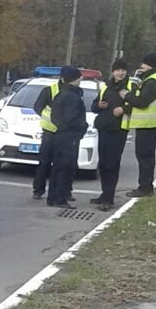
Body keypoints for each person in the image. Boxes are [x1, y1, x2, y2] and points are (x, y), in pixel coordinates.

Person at [120, 51, 156, 198]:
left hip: (147, 124)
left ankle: (145, 188)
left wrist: (127, 95)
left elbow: (142, 102)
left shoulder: (153, 81)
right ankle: (145, 186)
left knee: (144, 157)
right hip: (151, 123)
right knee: (146, 157)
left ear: (150, 65)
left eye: (144, 64)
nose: (141, 66)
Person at [91, 59, 130, 210]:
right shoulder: (105, 86)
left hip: (119, 130)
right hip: (104, 128)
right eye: (117, 70)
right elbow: (94, 106)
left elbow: (138, 103)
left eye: (123, 70)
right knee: (103, 164)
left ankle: (109, 198)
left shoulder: (130, 86)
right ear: (113, 71)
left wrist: (123, 109)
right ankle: (104, 194)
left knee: (112, 164)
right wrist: (98, 106)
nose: (120, 73)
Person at [47, 65, 87, 209]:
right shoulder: (72, 96)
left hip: (59, 135)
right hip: (69, 136)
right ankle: (60, 199)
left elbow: (54, 116)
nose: (81, 79)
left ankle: (52, 197)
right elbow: (73, 118)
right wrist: (82, 127)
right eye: (79, 77)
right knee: (66, 168)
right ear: (74, 79)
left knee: (57, 167)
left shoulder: (60, 94)